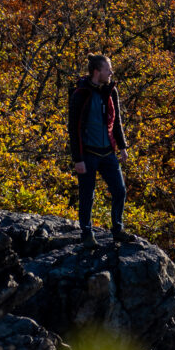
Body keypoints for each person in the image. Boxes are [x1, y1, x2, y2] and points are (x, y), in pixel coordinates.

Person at [68, 54, 133, 247]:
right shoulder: (80, 93)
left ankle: (117, 230)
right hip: (87, 154)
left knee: (119, 191)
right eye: (108, 69)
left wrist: (122, 147)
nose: (111, 72)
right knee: (87, 194)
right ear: (97, 72)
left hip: (108, 153)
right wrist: (77, 158)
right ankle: (86, 234)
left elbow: (117, 122)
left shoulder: (111, 91)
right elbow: (74, 128)